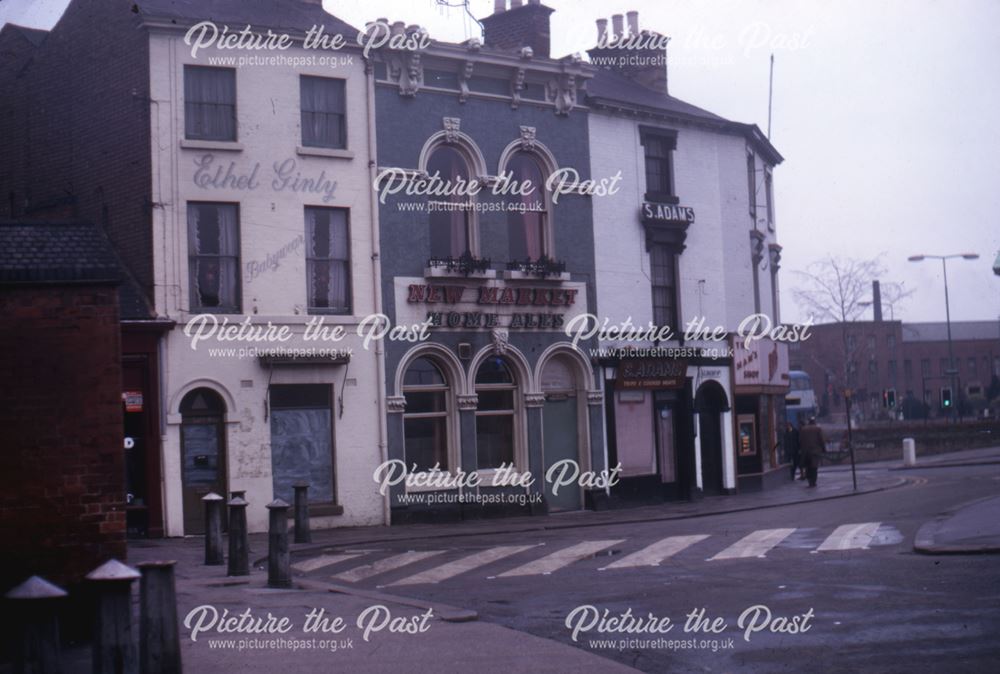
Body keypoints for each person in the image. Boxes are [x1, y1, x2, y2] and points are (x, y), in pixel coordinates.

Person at [798, 416, 825, 488]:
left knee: (808, 467)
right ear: (814, 422)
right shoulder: (818, 429)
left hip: (806, 452)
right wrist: (823, 448)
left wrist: (801, 449)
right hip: (815, 451)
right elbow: (821, 440)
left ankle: (810, 481)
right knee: (814, 467)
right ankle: (813, 481)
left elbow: (800, 440)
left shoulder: (803, 429)